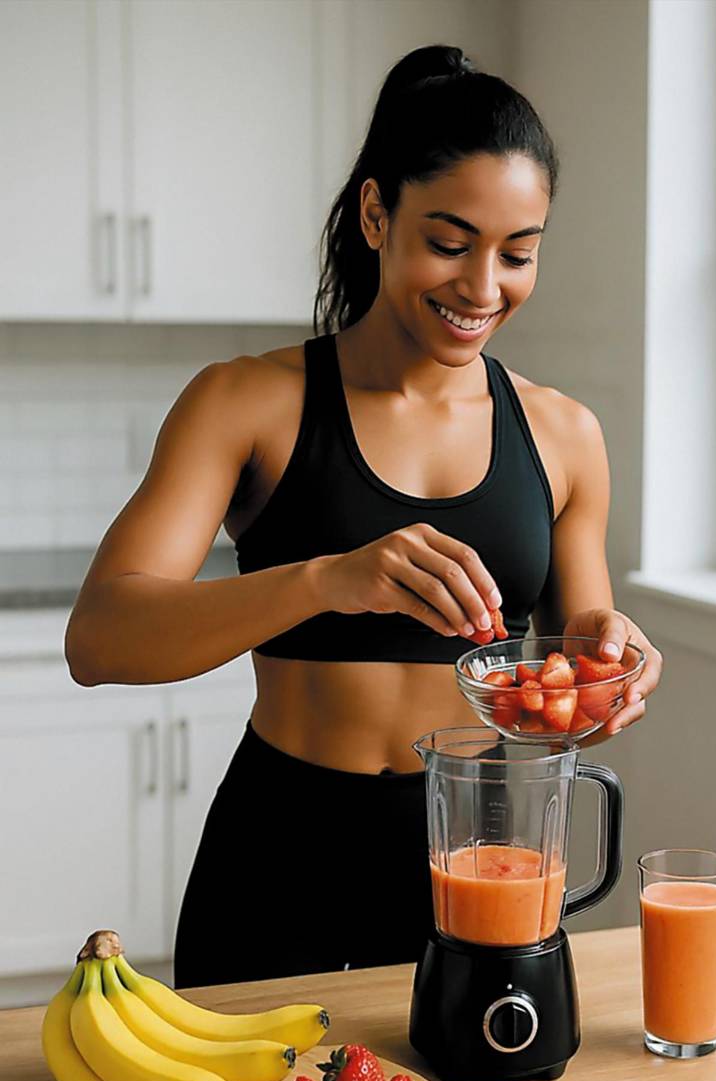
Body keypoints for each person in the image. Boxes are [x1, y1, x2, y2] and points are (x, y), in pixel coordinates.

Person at [65, 45, 663, 989]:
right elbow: (100, 640)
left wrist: (606, 657)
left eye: (518, 253)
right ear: (378, 214)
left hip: (472, 847)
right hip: (276, 848)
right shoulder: (244, 403)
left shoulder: (566, 435)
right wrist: (328, 578)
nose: (481, 288)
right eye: (450, 242)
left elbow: (571, 659)